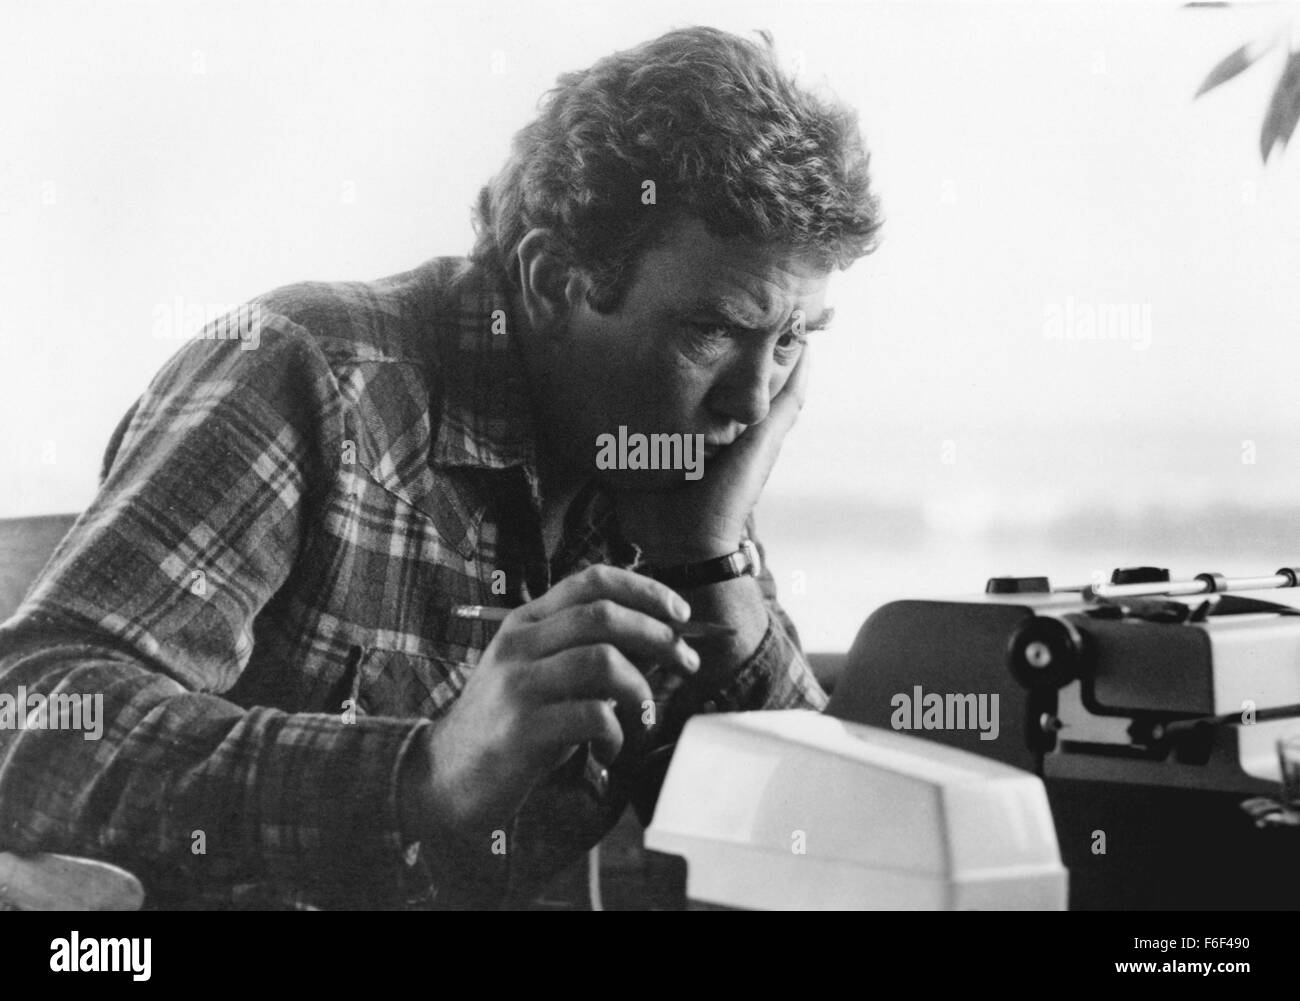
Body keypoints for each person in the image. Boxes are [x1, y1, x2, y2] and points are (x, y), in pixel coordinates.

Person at [0, 25, 881, 909]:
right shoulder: (311, 373)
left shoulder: (678, 472)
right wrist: (422, 774)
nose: (754, 403)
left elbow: (822, 856)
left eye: (792, 341)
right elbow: (30, 712)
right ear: (549, 280)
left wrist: (714, 567)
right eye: (710, 330)